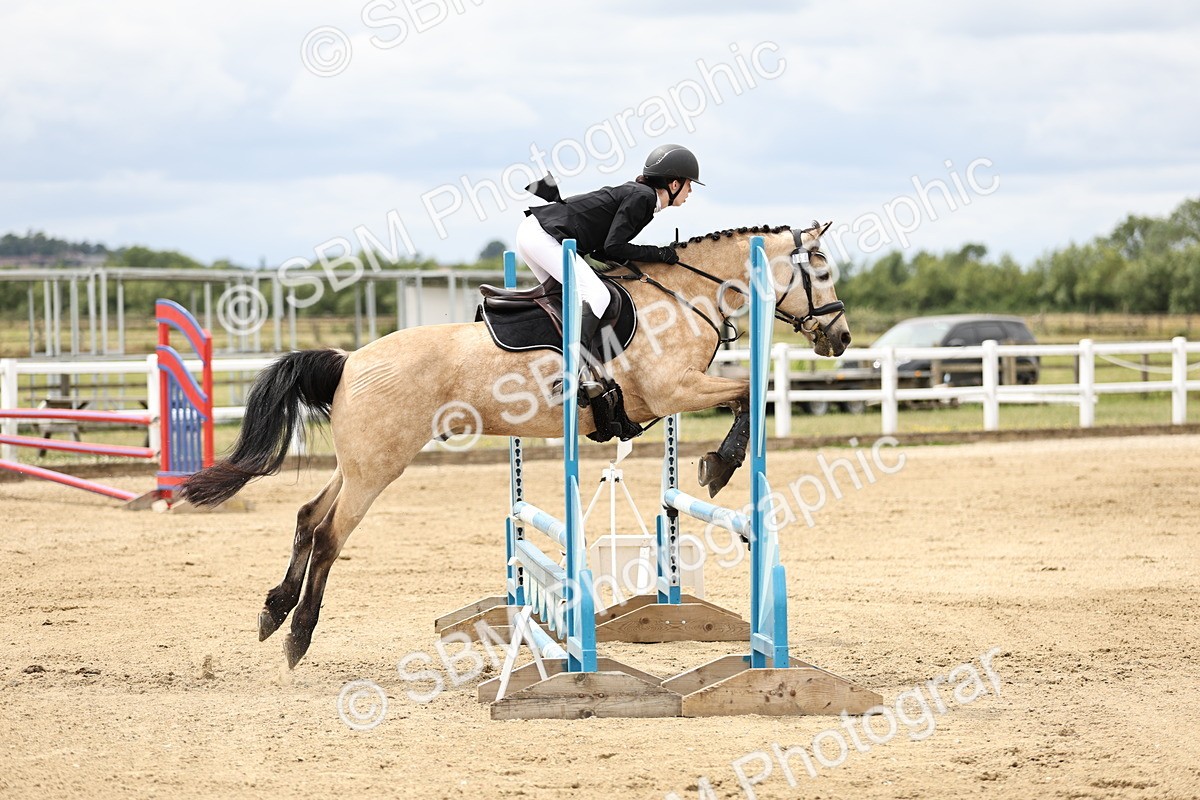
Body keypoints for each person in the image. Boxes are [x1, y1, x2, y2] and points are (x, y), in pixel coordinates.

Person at [516, 144, 702, 367]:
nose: (690, 191)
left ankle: (544, 359)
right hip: (543, 235)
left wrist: (641, 263)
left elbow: (605, 250)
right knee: (597, 295)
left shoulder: (641, 196)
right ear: (674, 183)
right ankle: (574, 369)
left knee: (564, 299)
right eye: (689, 184)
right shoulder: (643, 198)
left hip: (536, 232)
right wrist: (659, 253)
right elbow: (614, 246)